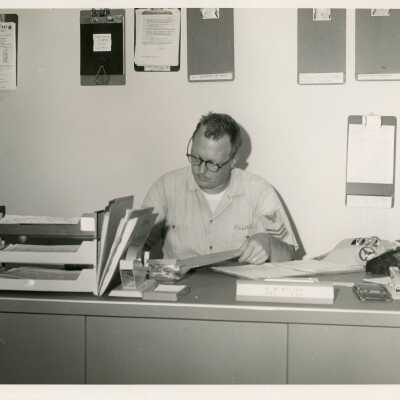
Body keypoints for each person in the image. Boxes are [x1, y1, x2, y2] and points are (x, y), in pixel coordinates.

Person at [142, 112, 297, 264]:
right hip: (178, 285)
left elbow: (289, 254)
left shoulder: (259, 191)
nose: (200, 170)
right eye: (195, 158)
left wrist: (268, 243)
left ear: (233, 161)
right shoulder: (165, 187)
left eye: (212, 164)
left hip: (235, 286)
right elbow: (136, 246)